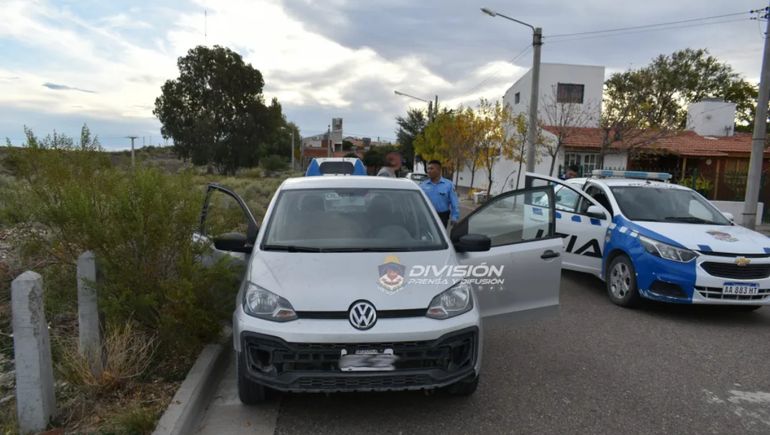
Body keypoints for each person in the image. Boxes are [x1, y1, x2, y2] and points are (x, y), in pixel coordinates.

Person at [420, 160, 460, 228]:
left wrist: (454, 217)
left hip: (442, 217)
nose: (429, 171)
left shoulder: (448, 185)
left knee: (440, 237)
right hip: (426, 216)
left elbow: (454, 203)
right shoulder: (422, 185)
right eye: (428, 169)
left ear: (439, 170)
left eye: (431, 168)